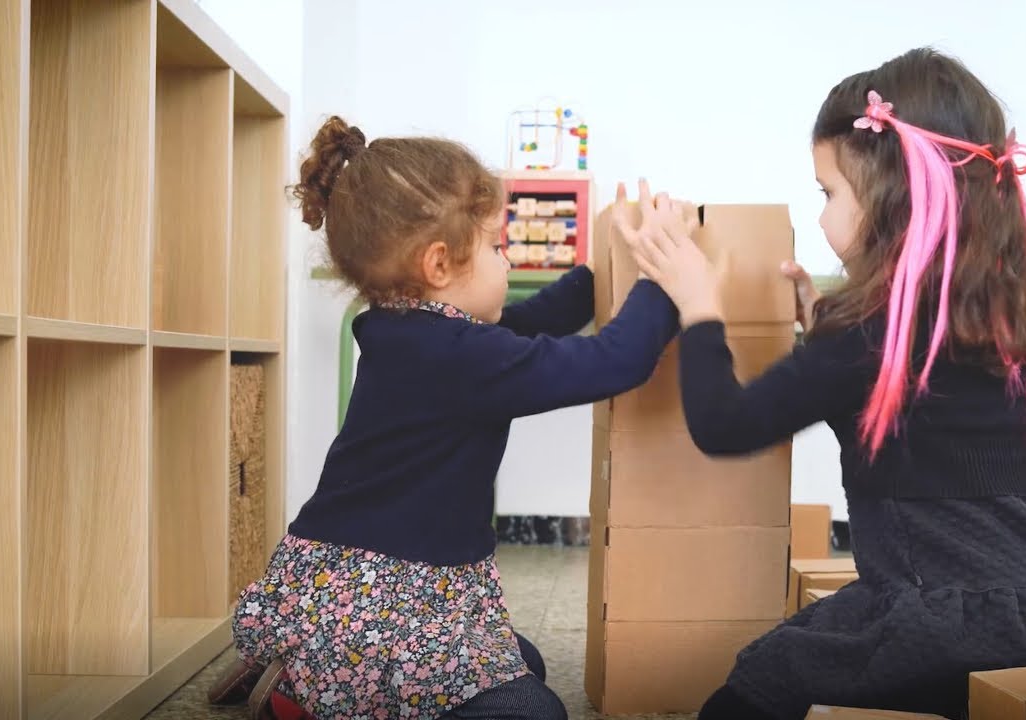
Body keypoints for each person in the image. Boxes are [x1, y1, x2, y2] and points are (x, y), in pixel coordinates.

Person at [622, 48, 1026, 720]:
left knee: (750, 688)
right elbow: (906, 403)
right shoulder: (982, 321)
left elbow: (724, 424)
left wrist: (697, 301)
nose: (820, 216)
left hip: (947, 632)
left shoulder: (860, 341)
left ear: (892, 197)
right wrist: (819, 318)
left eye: (828, 192)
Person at [231, 117, 685, 719]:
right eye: (496, 246)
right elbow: (612, 362)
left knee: (523, 662)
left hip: (343, 593)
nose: (506, 260)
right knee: (534, 712)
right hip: (388, 604)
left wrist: (602, 273)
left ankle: (312, 679)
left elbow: (529, 323)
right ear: (439, 265)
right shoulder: (459, 355)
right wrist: (662, 279)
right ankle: (315, 695)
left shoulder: (412, 335)